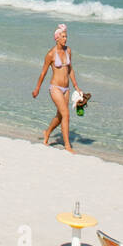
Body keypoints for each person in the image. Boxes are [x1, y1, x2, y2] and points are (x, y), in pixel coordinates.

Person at [33, 23, 83, 154]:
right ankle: (67, 146)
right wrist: (37, 88)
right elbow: (43, 73)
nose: (65, 39)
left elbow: (70, 69)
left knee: (60, 116)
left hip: (66, 89)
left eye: (66, 36)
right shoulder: (50, 54)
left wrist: (76, 86)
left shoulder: (69, 51)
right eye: (63, 36)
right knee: (66, 114)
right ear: (57, 38)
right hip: (55, 88)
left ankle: (47, 132)